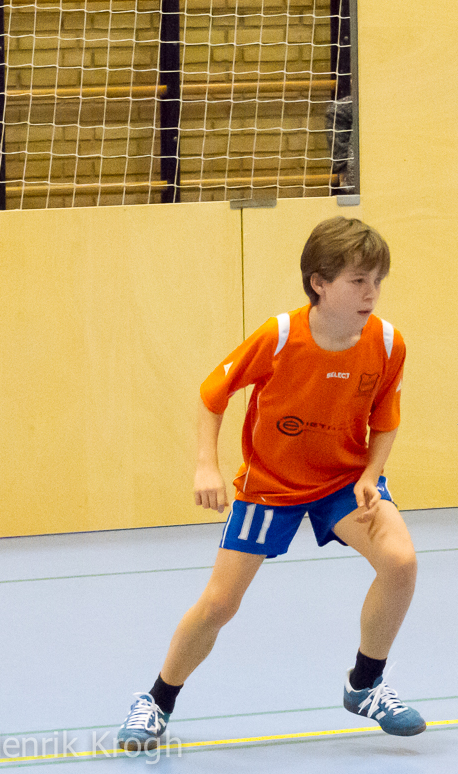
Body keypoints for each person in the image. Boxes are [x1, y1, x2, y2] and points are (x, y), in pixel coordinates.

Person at [117, 217, 425, 750]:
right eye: (357, 281)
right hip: (271, 487)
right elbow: (212, 395)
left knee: (400, 562)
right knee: (219, 605)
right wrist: (206, 465)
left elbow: (386, 420)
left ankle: (365, 685)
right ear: (319, 283)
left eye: (377, 280)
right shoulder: (280, 336)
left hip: (343, 481)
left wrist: (371, 474)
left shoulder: (388, 342)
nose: (371, 293)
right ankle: (156, 700)